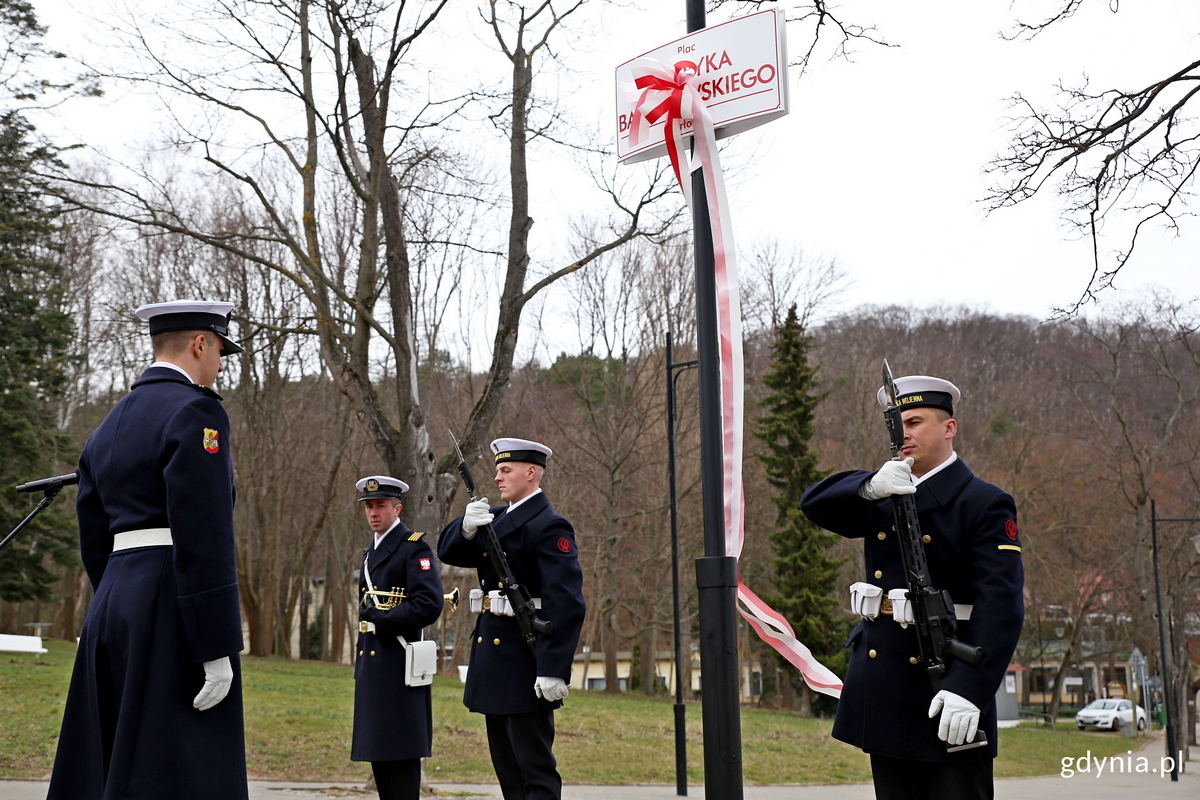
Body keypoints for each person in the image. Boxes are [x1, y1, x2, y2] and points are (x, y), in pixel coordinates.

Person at [48, 300, 249, 800]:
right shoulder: (198, 411)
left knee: (111, 758)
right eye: (221, 350)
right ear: (200, 343)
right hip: (173, 602)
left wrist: (116, 597)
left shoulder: (109, 424)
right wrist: (216, 643)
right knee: (178, 764)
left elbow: (93, 531)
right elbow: (204, 535)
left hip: (115, 598)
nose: (221, 364)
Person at [800, 375, 1024, 800]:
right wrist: (868, 487)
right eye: (896, 422)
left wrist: (969, 690)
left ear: (949, 427)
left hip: (947, 689)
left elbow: (1002, 607)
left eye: (915, 420)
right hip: (886, 688)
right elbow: (813, 503)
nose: (903, 433)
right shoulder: (885, 492)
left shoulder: (983, 502)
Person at [437, 438, 585, 800]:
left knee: (534, 770)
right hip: (495, 661)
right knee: (507, 771)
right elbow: (448, 551)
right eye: (497, 470)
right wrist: (465, 527)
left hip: (525, 662)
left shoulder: (550, 526)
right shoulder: (498, 519)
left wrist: (553, 667)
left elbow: (565, 603)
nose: (498, 477)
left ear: (531, 473)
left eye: (506, 470)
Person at [351, 475, 444, 800]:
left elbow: (429, 604)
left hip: (399, 670)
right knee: (381, 769)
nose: (373, 512)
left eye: (381, 506)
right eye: (369, 506)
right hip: (373, 671)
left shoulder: (413, 546)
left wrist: (386, 621)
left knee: (402, 771)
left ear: (397, 508)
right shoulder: (369, 552)